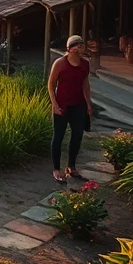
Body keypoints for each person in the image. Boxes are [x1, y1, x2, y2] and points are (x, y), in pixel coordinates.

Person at [48, 35, 93, 183]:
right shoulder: (60, 63)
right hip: (62, 106)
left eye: (82, 45)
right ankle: (56, 169)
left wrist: (88, 104)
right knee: (58, 137)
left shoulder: (85, 64)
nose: (81, 48)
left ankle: (71, 166)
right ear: (70, 49)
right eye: (78, 46)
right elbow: (51, 85)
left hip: (78, 105)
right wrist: (55, 105)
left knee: (77, 135)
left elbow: (85, 85)